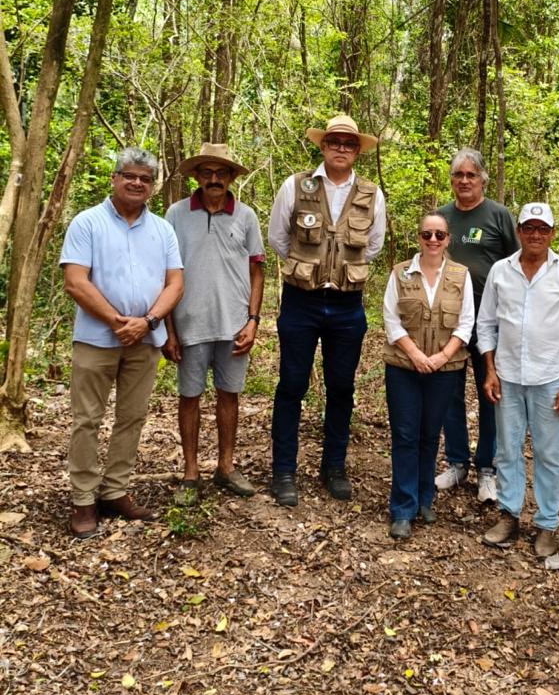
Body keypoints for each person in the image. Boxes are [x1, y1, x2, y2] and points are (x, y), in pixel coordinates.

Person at [60, 148, 183, 538]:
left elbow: (175, 283)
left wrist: (147, 321)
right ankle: (83, 498)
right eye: (129, 175)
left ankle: (115, 490)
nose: (136, 183)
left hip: (145, 339)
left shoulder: (162, 230)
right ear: (114, 178)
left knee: (132, 416)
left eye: (145, 179)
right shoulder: (87, 223)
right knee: (87, 419)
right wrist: (117, 322)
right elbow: (75, 281)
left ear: (152, 186)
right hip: (96, 339)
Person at [267, 114, 385, 507]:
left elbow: (373, 246)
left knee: (342, 387)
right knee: (291, 385)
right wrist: (311, 268)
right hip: (301, 301)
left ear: (357, 151)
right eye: (334, 141)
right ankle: (284, 470)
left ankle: (333, 467)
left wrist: (339, 272)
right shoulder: (296, 185)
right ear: (322, 145)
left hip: (347, 305)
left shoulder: (371, 194)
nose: (340, 148)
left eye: (348, 143)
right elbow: (278, 237)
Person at [477, 202, 559, 559]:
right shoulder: (501, 270)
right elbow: (486, 324)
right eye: (529, 228)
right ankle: (508, 515)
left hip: (550, 378)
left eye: (543, 229)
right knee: (507, 449)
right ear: (519, 231)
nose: (535, 235)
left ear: (552, 233)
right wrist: (490, 370)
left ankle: (547, 523)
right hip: (507, 375)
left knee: (547, 454)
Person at [163, 143, 265, 504]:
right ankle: (191, 472)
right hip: (189, 322)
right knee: (189, 396)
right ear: (196, 176)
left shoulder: (246, 216)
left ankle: (225, 466)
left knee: (229, 394)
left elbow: (256, 271)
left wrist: (252, 321)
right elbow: (165, 272)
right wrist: (168, 330)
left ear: (232, 177)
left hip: (234, 324)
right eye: (206, 172)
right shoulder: (176, 214)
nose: (214, 179)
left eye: (221, 173)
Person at [383, 211, 475, 539]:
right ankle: (402, 508)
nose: (433, 240)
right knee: (405, 435)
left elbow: (466, 322)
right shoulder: (400, 273)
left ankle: (424, 499)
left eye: (439, 235)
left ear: (448, 239)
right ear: (418, 238)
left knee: (430, 434)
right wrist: (417, 355)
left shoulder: (461, 275)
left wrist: (441, 356)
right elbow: (391, 320)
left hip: (444, 370)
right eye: (427, 234)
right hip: (403, 368)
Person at [436, 148, 519, 505]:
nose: (465, 180)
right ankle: (457, 462)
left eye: (471, 174)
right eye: (459, 175)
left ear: (483, 178)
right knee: (449, 391)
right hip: (449, 319)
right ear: (451, 180)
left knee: (490, 392)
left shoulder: (498, 216)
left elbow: (517, 264)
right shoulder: (441, 217)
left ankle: (488, 467)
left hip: (490, 319)